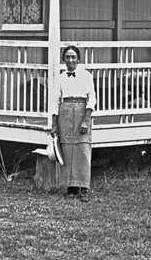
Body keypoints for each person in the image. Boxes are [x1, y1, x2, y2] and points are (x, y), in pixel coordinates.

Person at [50, 45, 95, 202]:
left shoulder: (86, 75)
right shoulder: (61, 77)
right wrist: (54, 124)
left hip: (82, 111)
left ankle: (83, 188)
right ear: (64, 59)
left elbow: (92, 98)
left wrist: (86, 119)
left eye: (73, 57)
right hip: (66, 111)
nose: (70, 60)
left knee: (82, 149)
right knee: (67, 150)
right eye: (67, 57)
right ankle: (71, 187)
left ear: (78, 59)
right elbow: (55, 101)